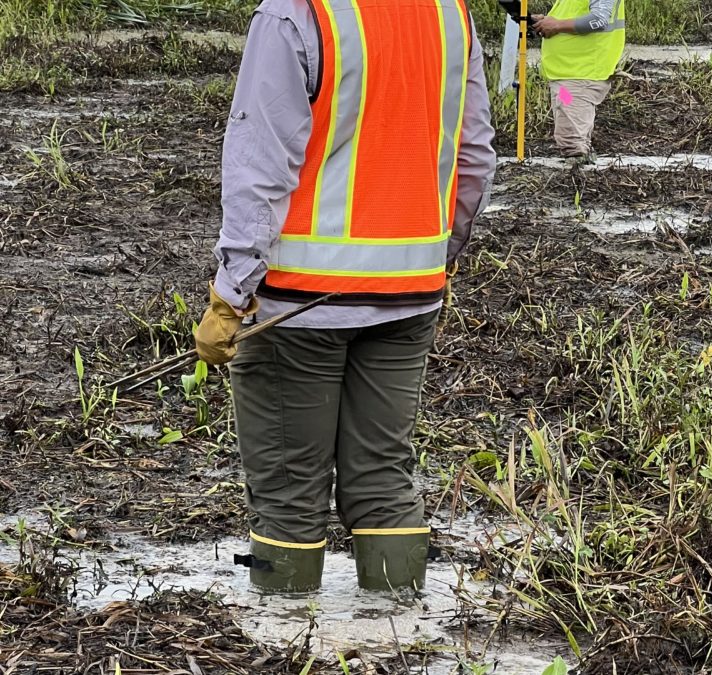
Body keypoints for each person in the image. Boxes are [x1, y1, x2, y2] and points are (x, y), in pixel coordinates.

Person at [193, 0, 496, 594]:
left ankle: (280, 635)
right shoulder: (448, 13)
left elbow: (260, 162)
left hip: (297, 307)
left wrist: (230, 295)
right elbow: (474, 154)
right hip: (410, 293)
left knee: (286, 492)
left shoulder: (295, 14)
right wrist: (442, 253)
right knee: (384, 478)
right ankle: (403, 634)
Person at [532, 0, 625, 159]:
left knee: (572, 142)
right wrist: (547, 21)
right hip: (566, 76)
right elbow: (574, 14)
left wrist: (557, 25)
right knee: (570, 133)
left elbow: (599, 20)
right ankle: (582, 169)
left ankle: (581, 176)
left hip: (581, 74)